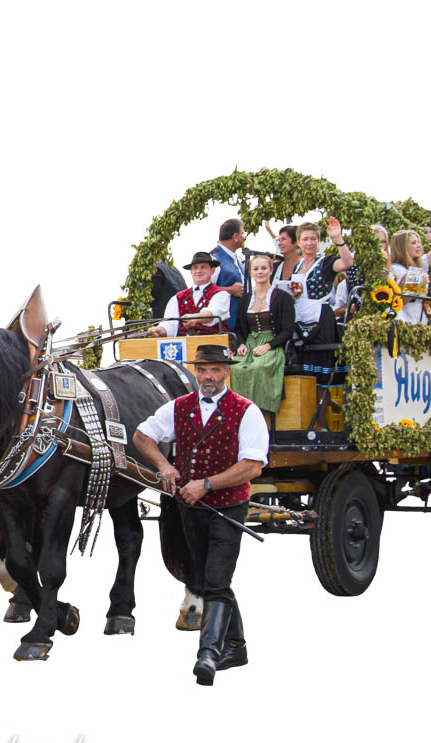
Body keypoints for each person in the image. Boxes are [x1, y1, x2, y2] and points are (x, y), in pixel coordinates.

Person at [134, 344, 268, 686]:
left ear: (227, 372)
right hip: (190, 508)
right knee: (211, 578)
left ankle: (208, 653)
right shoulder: (179, 407)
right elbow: (141, 435)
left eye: (216, 370)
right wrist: (165, 466)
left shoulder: (247, 411)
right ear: (197, 372)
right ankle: (236, 647)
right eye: (203, 370)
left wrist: (206, 484)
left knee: (216, 581)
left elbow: (252, 465)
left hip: (228, 507)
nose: (209, 377)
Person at [279, 218, 353, 390]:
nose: (309, 243)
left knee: (322, 379)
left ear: (319, 241)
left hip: (321, 321)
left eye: (313, 239)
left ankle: (324, 413)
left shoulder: (325, 262)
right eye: (305, 239)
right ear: (298, 242)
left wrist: (338, 239)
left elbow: (347, 263)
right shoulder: (297, 267)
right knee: (306, 378)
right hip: (301, 322)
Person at [230, 254, 294, 416]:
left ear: (271, 270)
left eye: (264, 268)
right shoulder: (246, 299)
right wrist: (242, 344)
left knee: (258, 368)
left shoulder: (282, 297)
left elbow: (287, 330)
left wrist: (268, 346)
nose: (260, 272)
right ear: (251, 272)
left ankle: (259, 412)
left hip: (273, 344)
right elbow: (239, 328)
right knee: (235, 367)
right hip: (251, 343)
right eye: (256, 269)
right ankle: (239, 412)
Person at [388, 204, 431, 325]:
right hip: (404, 320)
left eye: (419, 242)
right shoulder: (397, 269)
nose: (419, 246)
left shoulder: (419, 265)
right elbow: (401, 301)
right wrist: (419, 284)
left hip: (419, 320)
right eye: (414, 243)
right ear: (402, 247)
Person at [147, 252, 231, 337]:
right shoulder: (177, 298)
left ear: (212, 270)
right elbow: (169, 325)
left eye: (203, 267)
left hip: (213, 346)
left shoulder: (221, 294)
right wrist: (159, 330)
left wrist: (195, 318)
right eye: (195, 268)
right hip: (183, 346)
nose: (198, 271)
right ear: (191, 271)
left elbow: (212, 314)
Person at [212, 218, 247, 298]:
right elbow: (203, 290)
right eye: (242, 233)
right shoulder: (213, 259)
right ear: (235, 237)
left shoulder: (238, 260)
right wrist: (229, 290)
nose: (244, 238)